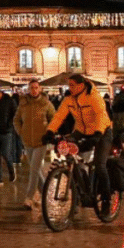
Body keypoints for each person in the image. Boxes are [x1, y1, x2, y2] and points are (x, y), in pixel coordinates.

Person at [41, 74, 114, 216]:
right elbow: (59, 116)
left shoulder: (93, 97)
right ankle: (79, 195)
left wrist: (98, 134)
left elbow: (100, 114)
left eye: (73, 85)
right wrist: (49, 131)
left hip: (102, 131)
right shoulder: (69, 99)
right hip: (81, 131)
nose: (70, 88)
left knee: (100, 165)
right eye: (69, 85)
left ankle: (106, 200)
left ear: (81, 85)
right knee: (70, 158)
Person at [14, 79, 55, 208]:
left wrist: (48, 132)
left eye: (36, 87)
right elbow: (16, 120)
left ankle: (29, 198)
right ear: (28, 89)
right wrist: (21, 132)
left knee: (33, 169)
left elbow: (54, 119)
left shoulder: (46, 103)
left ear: (40, 89)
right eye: (31, 87)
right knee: (35, 170)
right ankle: (45, 193)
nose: (34, 90)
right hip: (27, 141)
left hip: (40, 141)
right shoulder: (23, 104)